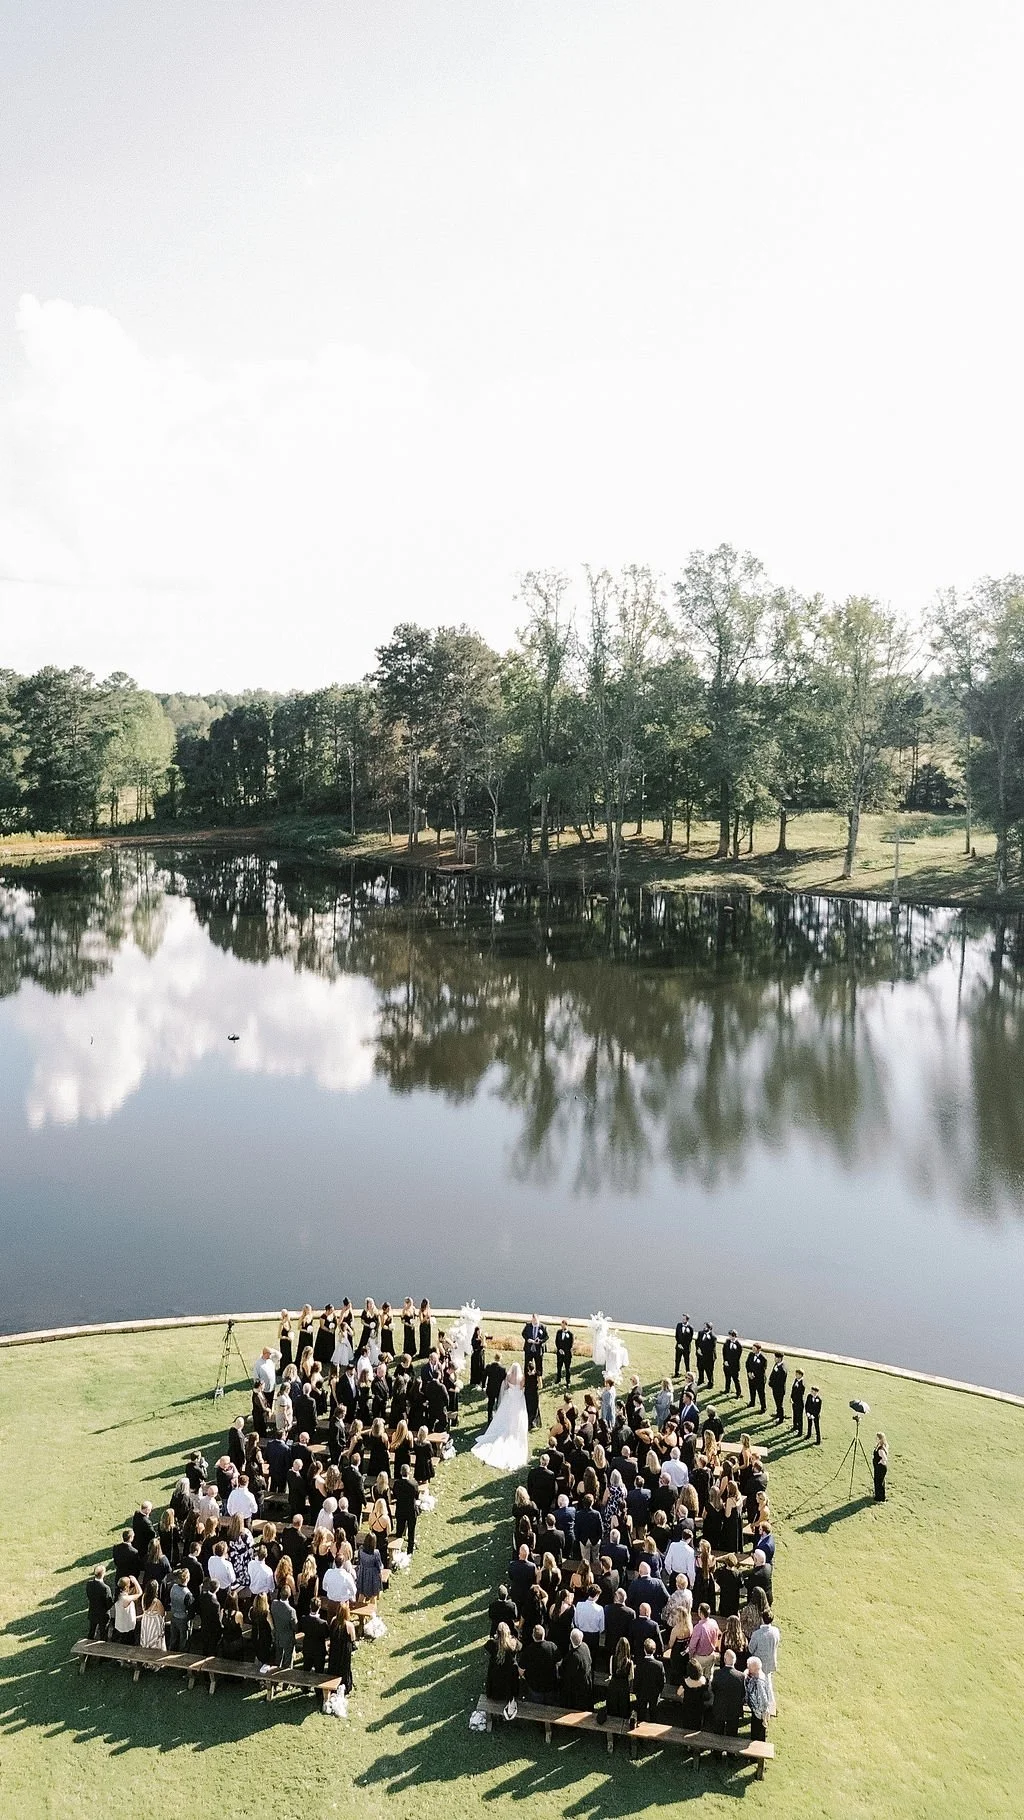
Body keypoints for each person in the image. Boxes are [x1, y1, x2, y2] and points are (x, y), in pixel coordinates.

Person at [473, 1363, 529, 1471]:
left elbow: (506, 1386)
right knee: (516, 1416)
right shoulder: (522, 1378)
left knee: (505, 1415)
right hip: (517, 1399)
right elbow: (522, 1387)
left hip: (509, 1398)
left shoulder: (508, 1376)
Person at [747, 1611, 780, 1714]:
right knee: (768, 1683)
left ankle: (762, 1706)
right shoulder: (776, 1631)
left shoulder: (757, 1634)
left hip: (759, 1664)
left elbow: (751, 1649)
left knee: (760, 1686)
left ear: (762, 1619)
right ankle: (771, 1704)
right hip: (770, 1661)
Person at [709, 1648, 746, 1737]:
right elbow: (743, 1693)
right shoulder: (741, 1676)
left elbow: (713, 1688)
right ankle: (730, 1751)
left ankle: (716, 1750)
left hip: (720, 1706)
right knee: (732, 1733)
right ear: (735, 1660)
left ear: (725, 1660)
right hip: (734, 1709)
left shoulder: (717, 1673)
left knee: (718, 1731)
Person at [485, 1621, 521, 1703]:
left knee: (496, 1683)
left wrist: (496, 1638)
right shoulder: (513, 1643)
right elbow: (520, 1647)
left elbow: (487, 1646)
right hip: (510, 1670)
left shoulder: (493, 1643)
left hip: (496, 1669)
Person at [521, 1624, 559, 1702]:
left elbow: (521, 1670)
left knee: (536, 1707)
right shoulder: (552, 1646)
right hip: (550, 1684)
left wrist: (525, 1677)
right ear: (544, 1635)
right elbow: (559, 1663)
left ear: (533, 1636)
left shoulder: (528, 1650)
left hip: (535, 1686)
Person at [558, 1629, 594, 1709]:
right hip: (586, 1681)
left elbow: (569, 1675)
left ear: (570, 1639)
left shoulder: (574, 1656)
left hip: (578, 1688)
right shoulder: (585, 1646)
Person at [602, 1636, 634, 1725]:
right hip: (624, 1686)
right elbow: (631, 1677)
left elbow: (611, 1672)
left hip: (614, 1684)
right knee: (623, 1708)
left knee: (613, 1706)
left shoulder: (613, 1658)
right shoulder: (630, 1662)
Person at [634, 1635, 666, 1723]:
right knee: (653, 1712)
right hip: (654, 1692)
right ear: (654, 1650)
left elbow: (636, 1679)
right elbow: (662, 1681)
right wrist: (659, 1690)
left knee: (641, 1713)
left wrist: (636, 1690)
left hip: (642, 1692)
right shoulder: (659, 1665)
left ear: (644, 1650)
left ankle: (639, 1732)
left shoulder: (639, 1664)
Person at [745, 1655, 772, 1741]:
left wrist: (763, 1712)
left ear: (754, 1668)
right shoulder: (759, 1674)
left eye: (749, 1666)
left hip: (759, 1714)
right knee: (755, 1733)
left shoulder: (759, 1682)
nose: (748, 1668)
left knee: (758, 1735)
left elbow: (764, 1700)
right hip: (757, 1711)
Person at [679, 1656, 712, 1727]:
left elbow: (679, 1693)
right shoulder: (704, 1680)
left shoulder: (685, 1681)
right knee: (698, 1722)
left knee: (686, 1723)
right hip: (699, 1706)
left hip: (688, 1706)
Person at [112, 1575, 143, 1645]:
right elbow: (140, 1593)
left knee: (122, 1641)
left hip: (120, 1623)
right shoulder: (126, 1599)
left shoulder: (117, 1595)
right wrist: (135, 1581)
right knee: (129, 1642)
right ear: (126, 1587)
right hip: (127, 1626)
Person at [271, 1589, 298, 1669]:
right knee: (287, 1660)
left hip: (278, 1635)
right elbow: (295, 1627)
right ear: (289, 1596)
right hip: (288, 1638)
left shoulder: (274, 1604)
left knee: (278, 1657)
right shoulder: (291, 1611)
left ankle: (275, 1673)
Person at [86, 1565, 114, 1640]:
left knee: (92, 1630)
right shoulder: (105, 1588)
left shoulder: (89, 1584)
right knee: (103, 1632)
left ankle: (89, 1641)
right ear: (103, 1574)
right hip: (103, 1614)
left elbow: (89, 1596)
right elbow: (109, 1604)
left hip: (93, 1611)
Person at [139, 1583, 167, 1651]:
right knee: (155, 1639)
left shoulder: (144, 1597)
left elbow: (143, 1609)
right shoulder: (157, 1602)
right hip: (154, 1623)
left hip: (146, 1621)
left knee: (146, 1637)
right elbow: (162, 1614)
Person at [483, 1356, 507, 1424]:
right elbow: (504, 1379)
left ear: (494, 1358)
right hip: (498, 1389)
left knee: (490, 1403)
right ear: (500, 1359)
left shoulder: (489, 1367)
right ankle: (497, 1417)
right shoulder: (502, 1369)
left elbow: (484, 1376)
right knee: (498, 1403)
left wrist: (483, 1386)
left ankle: (489, 1418)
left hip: (490, 1388)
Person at [745, 1344, 767, 1412]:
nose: (753, 1350)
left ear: (759, 1349)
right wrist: (749, 1372)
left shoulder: (763, 1359)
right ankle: (752, 1402)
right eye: (752, 1348)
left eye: (754, 1349)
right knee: (752, 1390)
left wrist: (754, 1374)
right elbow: (747, 1364)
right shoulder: (751, 1354)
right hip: (751, 1377)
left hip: (759, 1379)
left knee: (761, 1393)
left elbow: (763, 1370)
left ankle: (763, 1407)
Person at [554, 1320, 574, 1391]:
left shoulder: (570, 1334)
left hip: (567, 1354)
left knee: (567, 1368)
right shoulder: (558, 1332)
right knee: (559, 1367)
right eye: (561, 1325)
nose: (562, 1326)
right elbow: (556, 1341)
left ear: (566, 1325)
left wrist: (565, 1351)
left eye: (563, 1325)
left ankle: (568, 1381)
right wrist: (559, 1349)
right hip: (560, 1353)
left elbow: (571, 1344)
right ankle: (558, 1379)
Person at [722, 1330, 742, 1396]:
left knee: (736, 1380)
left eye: (730, 1335)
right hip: (727, 1364)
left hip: (734, 1366)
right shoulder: (727, 1342)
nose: (729, 1337)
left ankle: (738, 1392)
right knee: (727, 1378)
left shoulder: (738, 1345)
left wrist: (730, 1363)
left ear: (734, 1336)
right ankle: (727, 1389)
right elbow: (724, 1352)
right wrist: (725, 1361)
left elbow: (737, 1357)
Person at [768, 1354, 788, 1423]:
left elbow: (780, 1382)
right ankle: (778, 1414)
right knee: (777, 1403)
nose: (775, 1359)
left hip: (779, 1390)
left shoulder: (782, 1369)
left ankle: (781, 1418)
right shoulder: (776, 1364)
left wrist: (772, 1384)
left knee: (780, 1404)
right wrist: (770, 1380)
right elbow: (773, 1373)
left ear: (780, 1358)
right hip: (775, 1388)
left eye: (776, 1358)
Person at [873, 1432, 889, 1501]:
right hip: (878, 1467)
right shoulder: (879, 1445)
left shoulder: (881, 1449)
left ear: (880, 1439)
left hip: (880, 1468)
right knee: (877, 1481)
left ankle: (880, 1498)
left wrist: (879, 1462)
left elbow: (885, 1458)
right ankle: (878, 1496)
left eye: (877, 1438)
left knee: (879, 1482)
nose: (875, 1439)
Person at [790, 1369, 805, 1434]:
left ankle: (800, 1431)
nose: (796, 1375)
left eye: (797, 1374)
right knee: (795, 1415)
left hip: (799, 1403)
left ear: (801, 1375)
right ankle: (795, 1426)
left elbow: (800, 1394)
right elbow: (793, 1390)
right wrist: (791, 1397)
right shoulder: (796, 1380)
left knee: (799, 1417)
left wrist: (795, 1399)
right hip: (794, 1401)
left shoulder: (802, 1383)